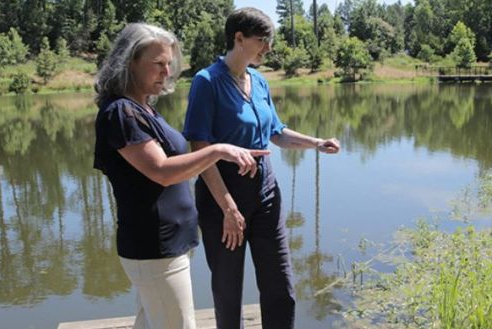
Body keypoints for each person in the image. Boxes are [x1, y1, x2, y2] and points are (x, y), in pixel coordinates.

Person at [93, 23, 269, 329]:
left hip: (165, 245)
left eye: (169, 64)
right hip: (153, 247)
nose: (167, 71)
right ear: (130, 62)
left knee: (152, 322)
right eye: (158, 63)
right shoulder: (121, 113)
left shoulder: (141, 108)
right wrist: (217, 150)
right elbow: (161, 172)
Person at [182, 7, 341, 329]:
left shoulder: (259, 81)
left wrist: (316, 142)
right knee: (228, 289)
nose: (268, 48)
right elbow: (199, 147)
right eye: (262, 40)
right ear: (238, 39)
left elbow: (276, 133)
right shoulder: (206, 82)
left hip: (266, 192)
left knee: (280, 285)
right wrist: (228, 208)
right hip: (222, 196)